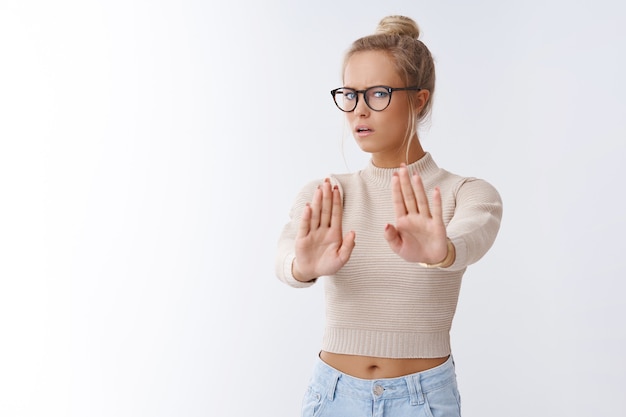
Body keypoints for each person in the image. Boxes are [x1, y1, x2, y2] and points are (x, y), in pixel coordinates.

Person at [275, 15, 502, 417]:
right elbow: (285, 255)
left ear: (419, 99)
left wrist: (442, 251)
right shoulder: (327, 194)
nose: (359, 111)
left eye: (378, 93)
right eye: (350, 94)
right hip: (333, 395)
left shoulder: (465, 193)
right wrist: (301, 266)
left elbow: (473, 237)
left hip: (423, 399)